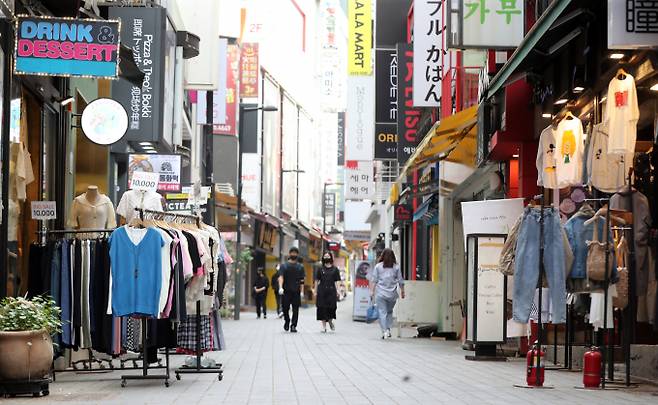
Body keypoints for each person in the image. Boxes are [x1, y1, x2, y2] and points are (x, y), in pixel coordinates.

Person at [369, 249, 405, 339]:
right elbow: (400, 281)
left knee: (382, 312)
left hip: (380, 294)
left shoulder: (378, 267)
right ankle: (388, 329)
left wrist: (372, 291)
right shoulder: (396, 267)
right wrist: (402, 291)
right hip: (392, 294)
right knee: (389, 312)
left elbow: (374, 280)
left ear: (382, 256)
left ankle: (384, 330)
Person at [278, 247, 305, 333]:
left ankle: (293, 325)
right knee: (285, 308)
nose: (293, 254)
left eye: (295, 253)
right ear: (289, 254)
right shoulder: (284, 266)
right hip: (286, 291)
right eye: (292, 253)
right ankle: (287, 321)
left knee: (295, 309)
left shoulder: (300, 267)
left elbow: (302, 280)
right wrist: (280, 287)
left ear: (297, 255)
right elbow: (281, 277)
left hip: (296, 291)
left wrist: (302, 291)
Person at [314, 252, 341, 333]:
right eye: (325, 256)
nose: (326, 258)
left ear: (331, 258)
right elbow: (316, 280)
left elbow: (337, 281)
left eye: (328, 256)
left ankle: (330, 321)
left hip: (331, 291)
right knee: (322, 308)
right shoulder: (320, 269)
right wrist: (315, 291)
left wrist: (338, 290)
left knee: (332, 308)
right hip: (322, 290)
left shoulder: (335, 269)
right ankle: (323, 326)